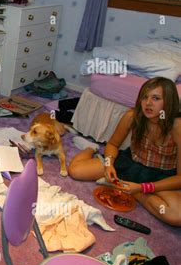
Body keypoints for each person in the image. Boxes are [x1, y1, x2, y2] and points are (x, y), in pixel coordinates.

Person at [68, 77, 181, 227]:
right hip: (130, 164)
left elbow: (180, 178)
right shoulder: (132, 116)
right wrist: (108, 165)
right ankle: (91, 148)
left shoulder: (177, 127)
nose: (148, 103)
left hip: (160, 177)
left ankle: (133, 190)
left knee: (176, 216)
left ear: (168, 102)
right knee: (76, 171)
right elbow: (113, 145)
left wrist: (142, 188)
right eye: (144, 97)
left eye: (156, 98)